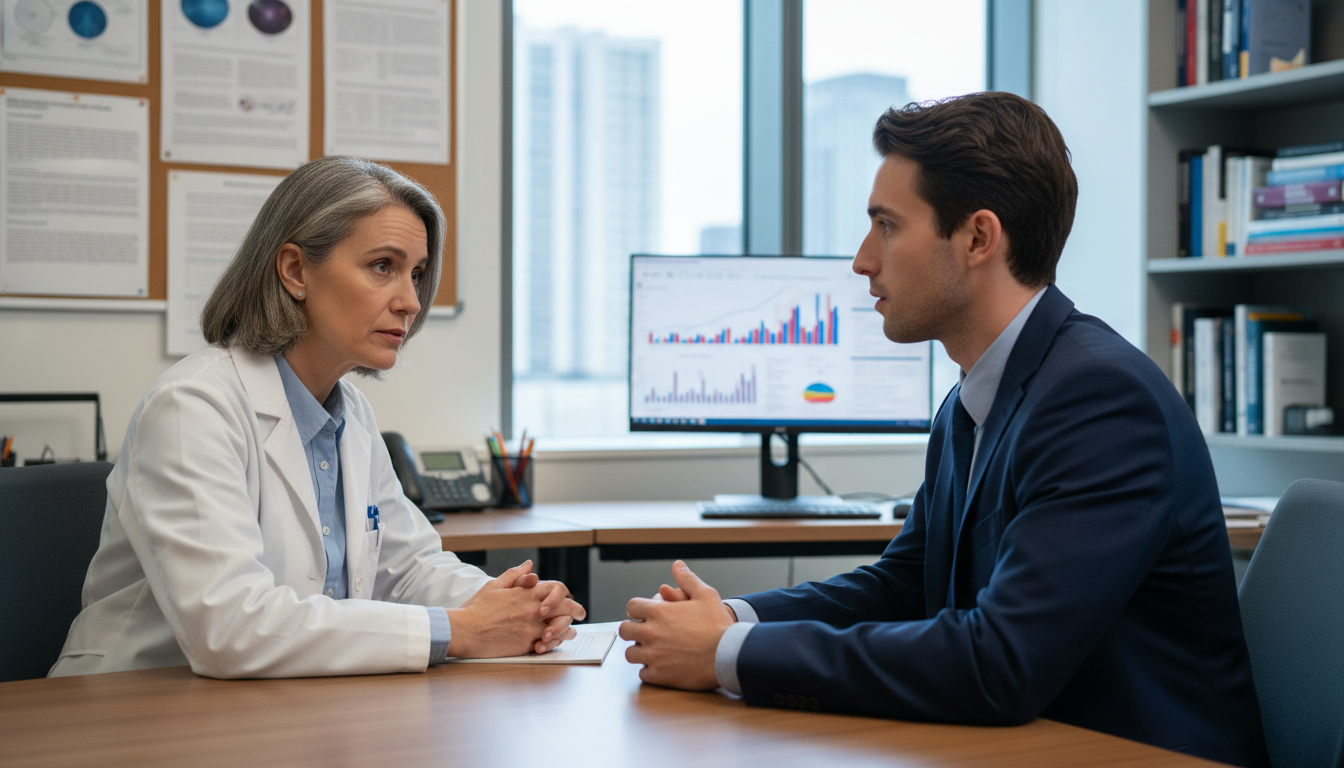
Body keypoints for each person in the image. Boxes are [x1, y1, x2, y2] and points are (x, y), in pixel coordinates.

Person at [619, 92, 1270, 766]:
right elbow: (906, 585)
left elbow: (1001, 662)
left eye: (887, 226)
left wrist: (727, 655)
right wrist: (729, 622)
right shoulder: (977, 395)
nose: (862, 260)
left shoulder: (1100, 400)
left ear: (978, 238)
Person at [51, 156, 585, 679]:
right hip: (133, 706)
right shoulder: (193, 407)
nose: (411, 301)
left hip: (277, 708)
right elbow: (231, 628)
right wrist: (462, 630)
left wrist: (516, 607)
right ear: (294, 270)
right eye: (383, 267)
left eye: (417, 274)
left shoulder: (349, 411)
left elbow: (409, 568)